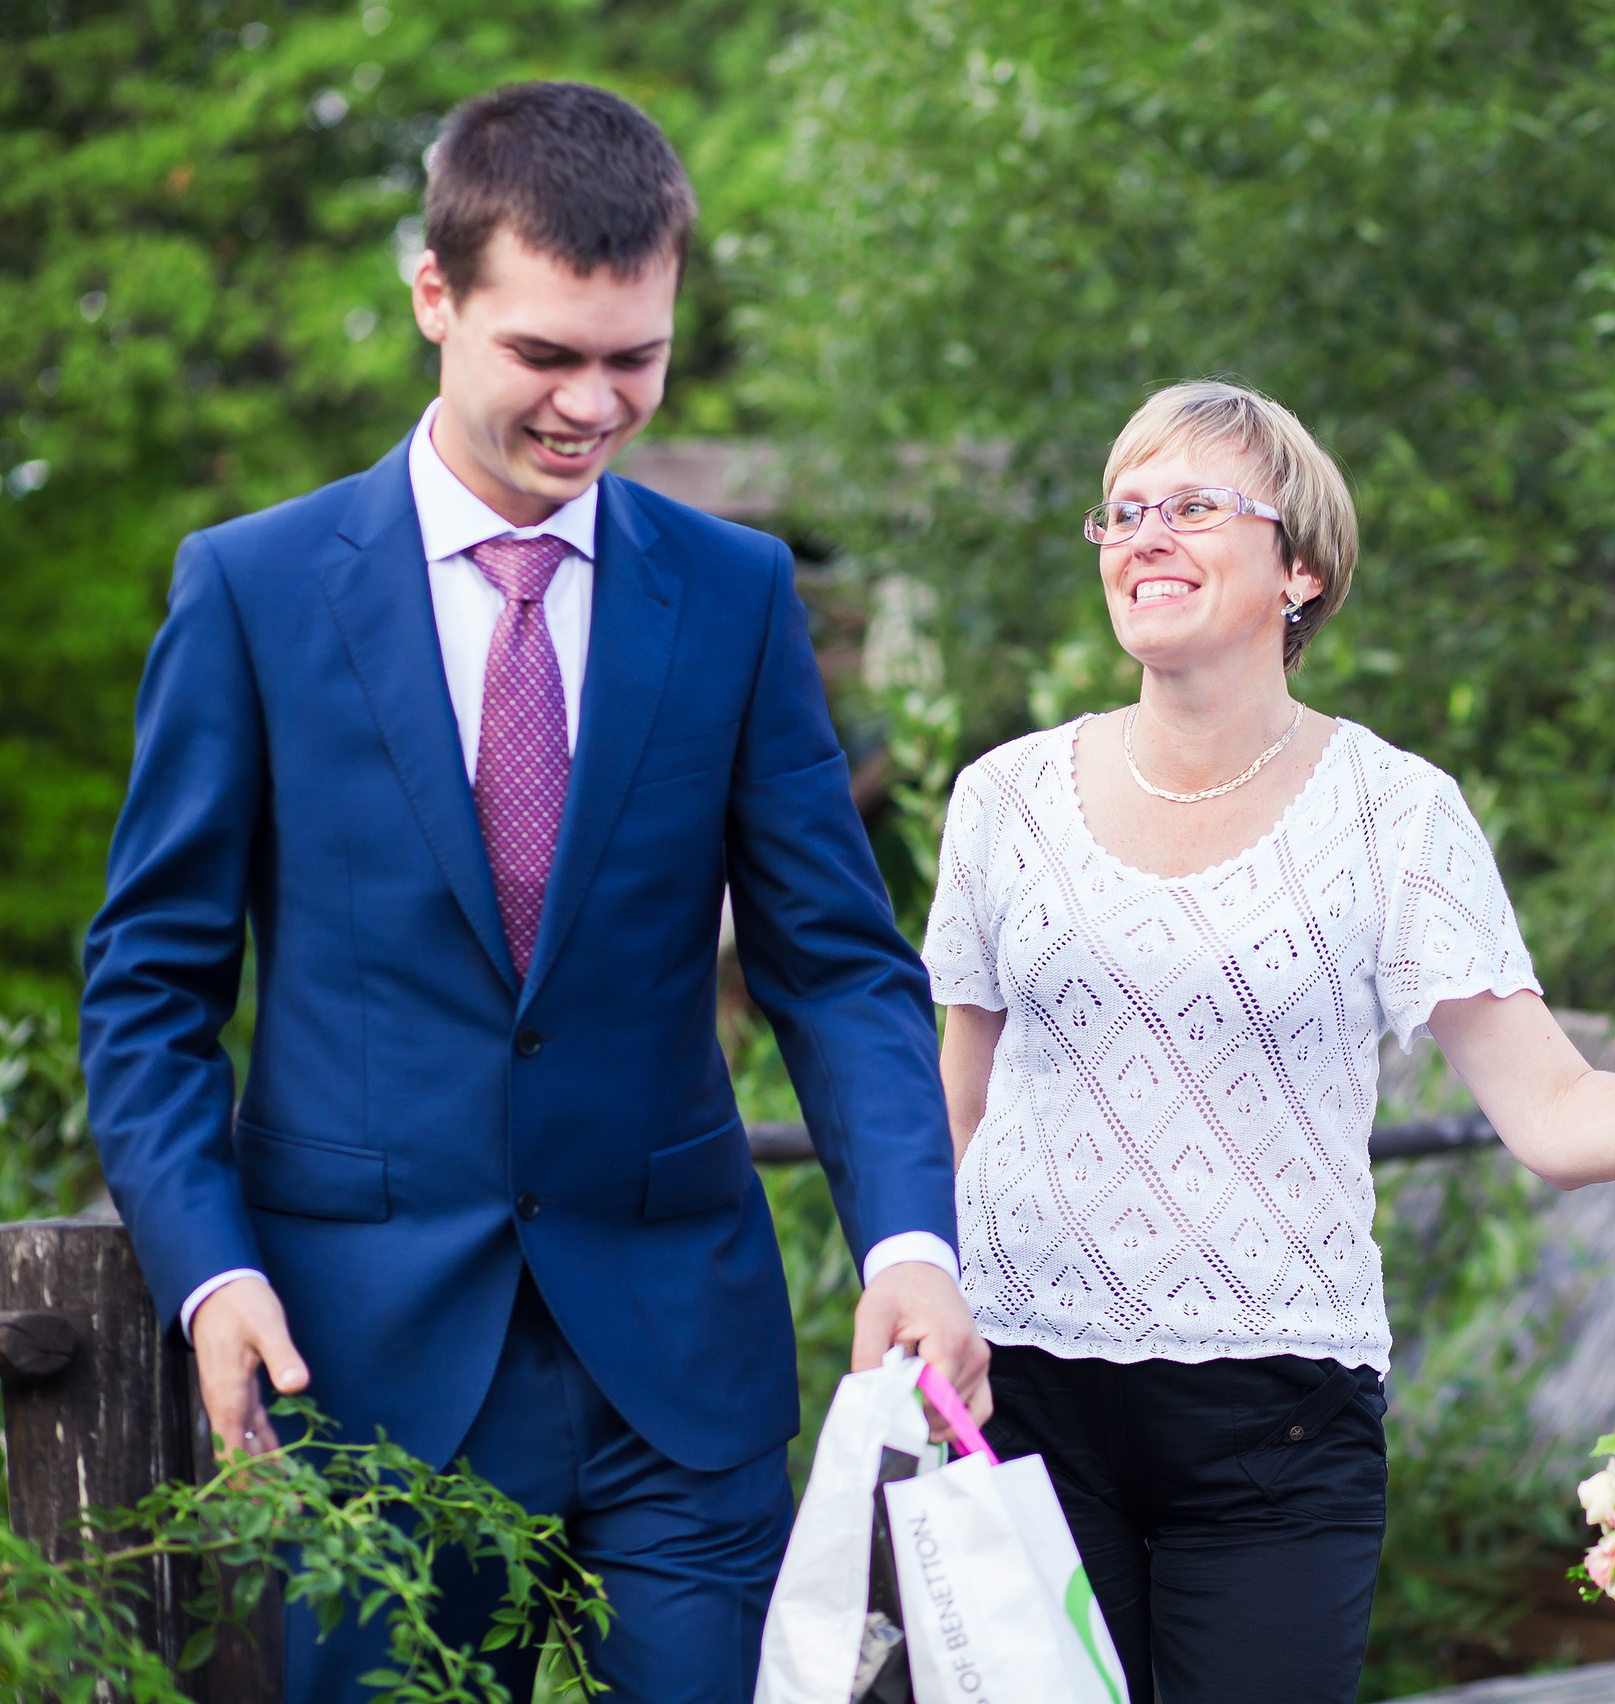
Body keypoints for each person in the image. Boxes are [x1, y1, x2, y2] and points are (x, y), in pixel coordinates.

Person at [78, 82, 983, 1702]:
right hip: (363, 1376)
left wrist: (912, 1236)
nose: (594, 404)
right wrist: (209, 1274)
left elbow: (838, 968)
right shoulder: (254, 590)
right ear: (435, 297)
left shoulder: (735, 593)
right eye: (545, 356)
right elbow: (151, 986)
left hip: (682, 1379)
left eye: (636, 357)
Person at [921, 379, 1615, 1703]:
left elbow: (1555, 1118)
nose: (1144, 534)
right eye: (1124, 512)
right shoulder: (1003, 800)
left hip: (1274, 1428)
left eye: (1195, 506)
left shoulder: (1396, 815)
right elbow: (957, 1114)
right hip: (1022, 1409)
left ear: (1303, 569)